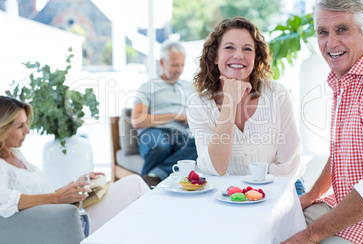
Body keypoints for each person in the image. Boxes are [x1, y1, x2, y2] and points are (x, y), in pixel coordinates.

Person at [282, 0, 363, 244]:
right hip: (349, 207)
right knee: (273, 225)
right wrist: (312, 194)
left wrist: (310, 235)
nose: (331, 42)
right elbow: (343, 151)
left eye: (342, 29)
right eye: (323, 32)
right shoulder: (349, 78)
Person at [187, 17, 306, 196]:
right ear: (214, 57)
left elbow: (288, 163)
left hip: (282, 186)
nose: (239, 55)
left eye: (247, 49)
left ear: (256, 58)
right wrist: (229, 102)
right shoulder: (199, 104)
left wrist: (256, 195)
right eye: (229, 47)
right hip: (228, 194)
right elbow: (216, 167)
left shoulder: (277, 94)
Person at [0, 96, 150, 236]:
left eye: (26, 124)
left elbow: (42, 196)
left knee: (135, 197)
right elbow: (5, 200)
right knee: (136, 185)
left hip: (67, 213)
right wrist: (58, 197)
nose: (27, 131)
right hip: (63, 225)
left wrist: (73, 187)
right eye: (20, 126)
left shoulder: (16, 155)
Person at [132, 39, 197, 187]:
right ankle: (147, 186)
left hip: (183, 135)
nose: (179, 69)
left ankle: (153, 176)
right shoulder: (148, 86)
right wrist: (173, 116)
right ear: (162, 63)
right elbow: (137, 120)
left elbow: (201, 114)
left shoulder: (190, 88)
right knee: (159, 147)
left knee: (202, 145)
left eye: (182, 65)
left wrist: (191, 117)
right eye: (175, 65)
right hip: (155, 133)